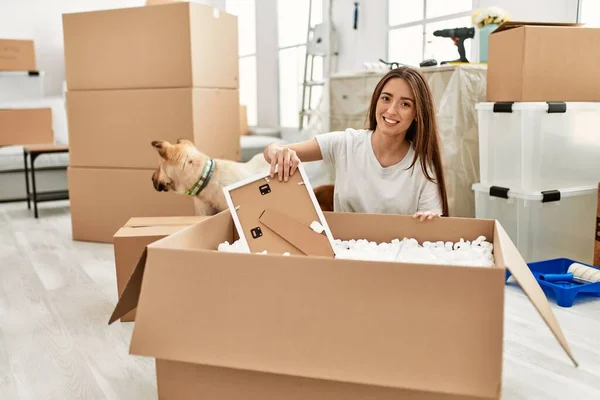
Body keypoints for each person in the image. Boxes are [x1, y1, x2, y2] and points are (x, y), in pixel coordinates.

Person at [263, 66, 449, 222]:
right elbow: (271, 152)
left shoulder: (423, 166)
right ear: (376, 100)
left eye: (405, 104)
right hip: (344, 251)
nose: (391, 110)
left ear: (417, 114)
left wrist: (429, 219)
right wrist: (277, 151)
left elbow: (432, 229)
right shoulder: (346, 143)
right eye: (386, 98)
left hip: (396, 256)